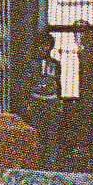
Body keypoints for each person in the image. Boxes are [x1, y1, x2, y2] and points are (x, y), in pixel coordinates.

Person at [27, 30, 63, 171]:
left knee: (52, 133)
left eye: (47, 45)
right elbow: (27, 83)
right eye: (41, 45)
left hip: (51, 101)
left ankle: (51, 164)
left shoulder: (55, 64)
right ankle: (37, 163)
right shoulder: (32, 64)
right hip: (36, 101)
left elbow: (58, 83)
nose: (44, 48)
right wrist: (28, 103)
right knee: (37, 133)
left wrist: (59, 102)